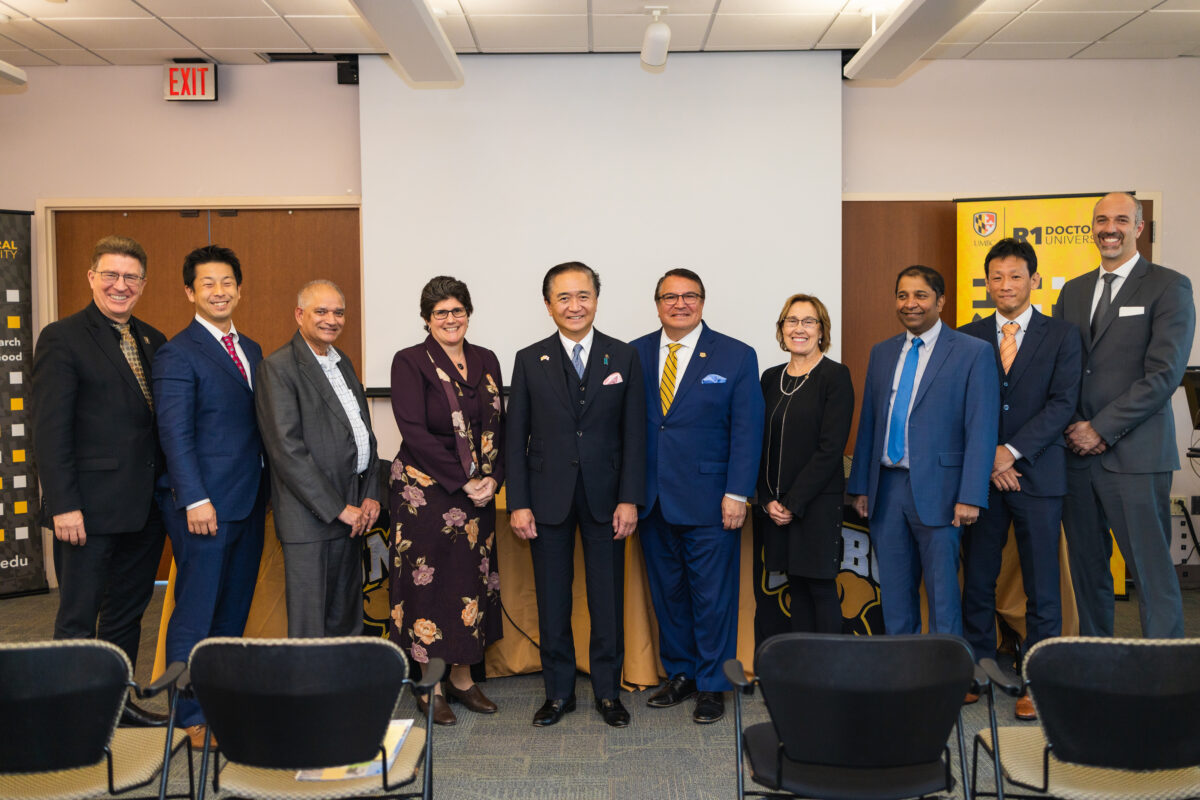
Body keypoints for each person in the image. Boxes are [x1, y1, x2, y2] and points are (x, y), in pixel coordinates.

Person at [31, 234, 168, 727]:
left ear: (143, 285)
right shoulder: (62, 337)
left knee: (127, 617)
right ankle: (67, 718)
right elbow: (50, 430)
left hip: (144, 510)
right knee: (77, 618)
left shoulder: (152, 339)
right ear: (92, 277)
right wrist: (63, 504)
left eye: (131, 277)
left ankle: (115, 706)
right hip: (85, 512)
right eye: (110, 274)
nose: (120, 285)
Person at [506, 261, 645, 729]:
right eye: (563, 298)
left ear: (596, 300)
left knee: (607, 599)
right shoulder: (529, 359)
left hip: (608, 500)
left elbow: (635, 436)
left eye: (582, 295)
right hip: (546, 499)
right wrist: (519, 502)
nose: (574, 305)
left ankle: (608, 692)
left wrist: (630, 498)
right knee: (552, 600)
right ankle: (558, 693)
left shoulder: (623, 357)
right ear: (548, 306)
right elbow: (515, 436)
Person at [1053, 192, 1195, 639]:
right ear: (1091, 228)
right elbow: (1063, 369)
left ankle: (1166, 676)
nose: (1108, 227)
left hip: (1135, 456)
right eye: (1100, 219)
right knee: (1088, 572)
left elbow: (1164, 375)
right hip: (1077, 457)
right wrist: (1077, 427)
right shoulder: (1073, 290)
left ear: (1139, 227)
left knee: (1151, 574)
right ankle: (1098, 664)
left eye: (1120, 219)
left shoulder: (1169, 286)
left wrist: (1101, 428)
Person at [632, 268, 765, 725]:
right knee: (669, 595)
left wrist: (737, 493)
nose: (680, 304)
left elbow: (748, 432)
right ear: (657, 304)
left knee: (712, 598)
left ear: (703, 303)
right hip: (652, 501)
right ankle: (682, 673)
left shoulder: (735, 355)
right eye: (670, 297)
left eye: (690, 296)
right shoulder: (635, 354)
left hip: (712, 500)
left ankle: (712, 685)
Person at [960, 239, 1080, 720]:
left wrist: (1008, 453)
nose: (1004, 285)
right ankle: (976, 669)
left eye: (1015, 276)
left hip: (1038, 477)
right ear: (986, 282)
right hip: (983, 481)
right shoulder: (967, 336)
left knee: (1041, 584)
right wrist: (991, 460)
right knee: (979, 580)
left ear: (1034, 280)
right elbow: (963, 406)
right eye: (996, 277)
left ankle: (1037, 679)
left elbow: (1062, 405)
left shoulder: (1062, 335)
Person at [153, 244, 267, 748]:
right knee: (196, 611)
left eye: (227, 283)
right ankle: (189, 716)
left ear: (240, 289)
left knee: (232, 611)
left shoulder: (252, 349)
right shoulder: (178, 352)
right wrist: (194, 499)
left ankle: (219, 704)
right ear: (189, 292)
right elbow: (174, 434)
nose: (219, 292)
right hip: (204, 508)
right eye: (208, 284)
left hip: (247, 501)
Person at [848, 265, 998, 637]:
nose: (910, 304)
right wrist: (861, 487)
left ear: (940, 300)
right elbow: (870, 422)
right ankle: (904, 675)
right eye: (902, 295)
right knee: (895, 592)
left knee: (943, 593)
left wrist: (971, 496)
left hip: (943, 491)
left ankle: (948, 677)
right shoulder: (882, 353)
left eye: (920, 295)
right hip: (887, 490)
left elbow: (981, 429)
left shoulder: (972, 352)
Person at [387, 276, 505, 727]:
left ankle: (461, 679)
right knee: (428, 585)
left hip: (478, 493)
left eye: (457, 311)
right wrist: (467, 479)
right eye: (441, 313)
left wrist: (493, 477)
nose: (450, 319)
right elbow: (414, 430)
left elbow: (501, 424)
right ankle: (429, 685)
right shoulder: (410, 361)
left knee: (470, 581)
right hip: (425, 494)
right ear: (426, 319)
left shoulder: (486, 359)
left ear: (468, 314)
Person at [255, 280, 381, 638]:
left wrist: (370, 494)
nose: (331, 319)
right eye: (321, 311)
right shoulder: (278, 367)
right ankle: (310, 695)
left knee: (346, 619)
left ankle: (343, 692)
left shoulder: (343, 363)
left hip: (354, 512)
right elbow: (286, 451)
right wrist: (339, 508)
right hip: (312, 519)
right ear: (299, 314)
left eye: (338, 312)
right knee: (311, 628)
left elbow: (364, 436)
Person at [755, 294, 854, 635]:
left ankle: (831, 677)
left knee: (820, 588)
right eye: (791, 321)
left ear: (822, 330)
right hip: (775, 507)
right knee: (795, 587)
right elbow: (758, 444)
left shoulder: (835, 376)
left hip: (815, 506)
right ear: (781, 330)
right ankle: (803, 674)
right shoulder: (769, 378)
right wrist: (768, 500)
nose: (799, 328)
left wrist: (793, 503)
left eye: (808, 321)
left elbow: (830, 449)